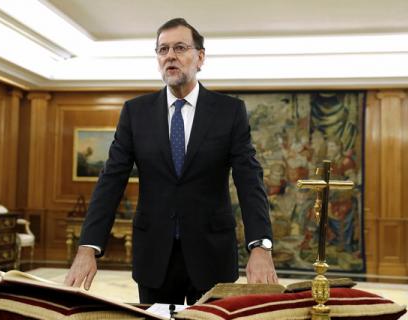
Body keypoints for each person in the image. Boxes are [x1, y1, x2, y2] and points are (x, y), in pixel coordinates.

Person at [65, 18, 278, 305]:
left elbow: (249, 180)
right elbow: (111, 180)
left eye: (180, 48)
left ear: (200, 57)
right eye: (163, 49)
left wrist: (260, 246)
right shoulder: (135, 113)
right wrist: (88, 247)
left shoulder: (230, 112)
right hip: (154, 254)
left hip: (212, 254)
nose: (170, 56)